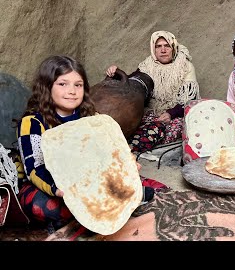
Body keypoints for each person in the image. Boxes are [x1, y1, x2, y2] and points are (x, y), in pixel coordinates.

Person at [16, 55, 154, 232]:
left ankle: (116, 199)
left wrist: (127, 164)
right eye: (63, 84)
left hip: (91, 177)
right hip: (53, 184)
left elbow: (111, 151)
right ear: (47, 87)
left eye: (78, 85)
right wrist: (58, 190)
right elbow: (34, 168)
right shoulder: (33, 122)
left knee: (124, 186)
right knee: (43, 205)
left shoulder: (91, 118)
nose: (72, 91)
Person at [106, 31, 200, 154]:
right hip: (152, 112)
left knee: (165, 130)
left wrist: (170, 114)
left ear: (173, 48)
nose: (163, 50)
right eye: (158, 46)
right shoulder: (147, 66)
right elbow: (131, 83)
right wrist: (116, 73)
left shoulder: (185, 66)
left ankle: (128, 150)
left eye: (167, 46)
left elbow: (189, 98)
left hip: (176, 114)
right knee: (135, 126)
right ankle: (126, 148)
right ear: (153, 49)